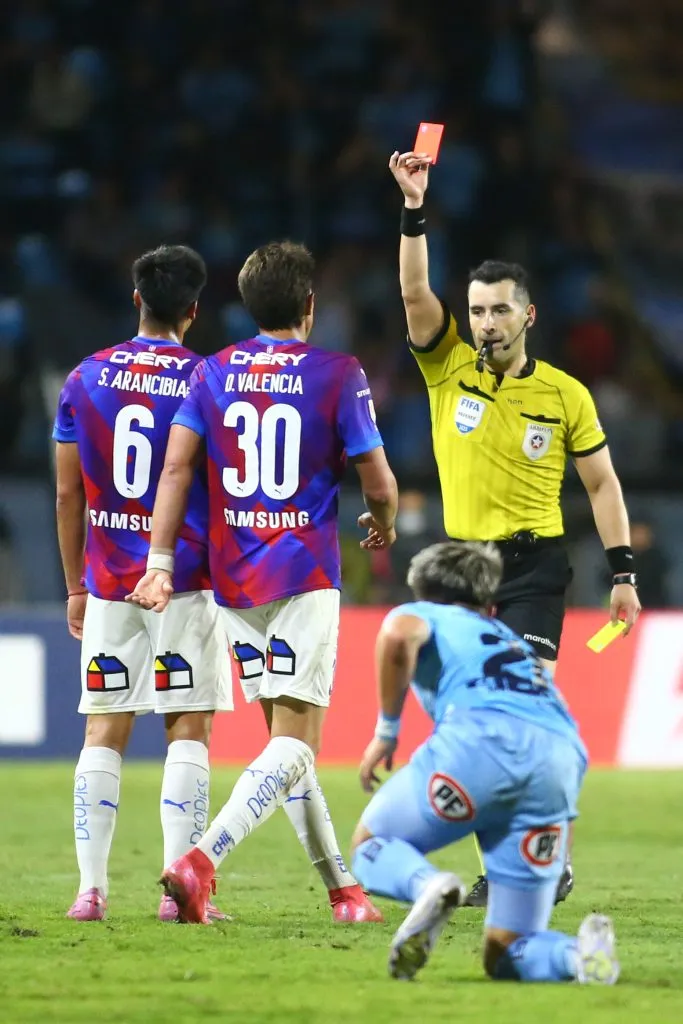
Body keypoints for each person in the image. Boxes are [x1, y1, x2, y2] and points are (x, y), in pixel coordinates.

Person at [388, 149, 641, 906]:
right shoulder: (447, 368)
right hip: (459, 570)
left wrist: (623, 574)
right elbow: (413, 289)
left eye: (499, 310)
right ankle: (517, 863)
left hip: (532, 570)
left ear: (527, 316)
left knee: (519, 713)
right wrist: (413, 209)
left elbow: (601, 484)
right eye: (476, 311)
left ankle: (545, 859)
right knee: (475, 725)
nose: (485, 323)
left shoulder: (565, 396)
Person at [129, 240, 399, 924]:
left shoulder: (212, 371)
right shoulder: (338, 373)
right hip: (302, 573)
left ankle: (344, 892)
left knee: (285, 751)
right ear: (310, 304)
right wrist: (383, 522)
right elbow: (378, 484)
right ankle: (199, 862)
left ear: (247, 304)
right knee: (297, 743)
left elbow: (176, 470)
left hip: (235, 582)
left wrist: (160, 560)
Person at [53, 244, 231, 923]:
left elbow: (67, 495)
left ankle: (90, 891)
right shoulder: (207, 379)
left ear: (137, 299)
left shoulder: (84, 376)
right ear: (194, 309)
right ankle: (178, 894)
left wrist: (76, 585)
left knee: (103, 731)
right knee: (187, 729)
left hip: (107, 581)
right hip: (183, 577)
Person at [350, 541, 619, 986]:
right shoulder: (510, 641)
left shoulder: (426, 614)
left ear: (422, 590)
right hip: (560, 760)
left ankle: (428, 887)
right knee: (508, 948)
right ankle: (579, 957)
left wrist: (387, 731)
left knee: (370, 844)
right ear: (488, 601)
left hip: (481, 743)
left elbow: (398, 635)